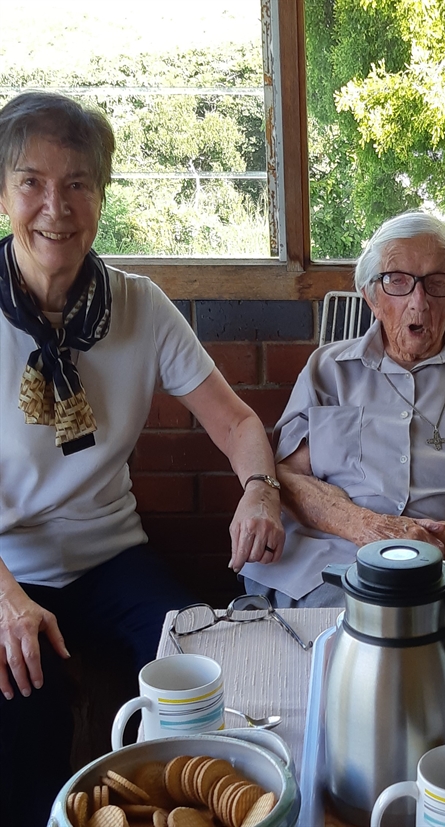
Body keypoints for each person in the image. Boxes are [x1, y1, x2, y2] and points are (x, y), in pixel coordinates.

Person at [0, 91, 284, 824]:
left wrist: (260, 487)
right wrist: (5, 597)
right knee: (21, 710)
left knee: (198, 671)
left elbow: (237, 420)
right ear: (3, 193)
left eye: (78, 184)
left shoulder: (140, 305)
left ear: (101, 196)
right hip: (6, 564)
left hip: (112, 555)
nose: (55, 207)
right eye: (32, 181)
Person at [240, 210, 445, 607]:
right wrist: (368, 527)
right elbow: (288, 477)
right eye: (397, 281)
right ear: (371, 296)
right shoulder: (328, 371)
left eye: (438, 283)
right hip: (340, 562)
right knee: (342, 643)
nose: (419, 301)